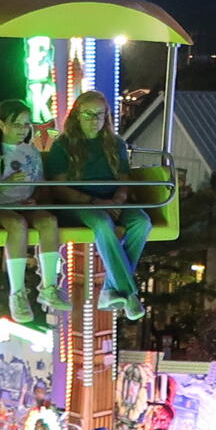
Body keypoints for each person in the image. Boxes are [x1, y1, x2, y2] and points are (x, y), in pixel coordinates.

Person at [41, 91, 151, 318]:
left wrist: (118, 200)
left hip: (110, 201)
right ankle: (129, 293)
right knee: (102, 222)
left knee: (141, 221)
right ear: (77, 116)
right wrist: (94, 201)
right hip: (78, 204)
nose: (94, 120)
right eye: (88, 114)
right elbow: (59, 188)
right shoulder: (63, 145)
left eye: (99, 114)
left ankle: (112, 288)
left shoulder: (115, 144)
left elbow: (124, 179)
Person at [0, 102, 63, 325]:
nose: (22, 130)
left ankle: (49, 286)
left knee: (48, 221)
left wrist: (37, 198)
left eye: (26, 125)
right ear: (1, 124)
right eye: (17, 124)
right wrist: (5, 184)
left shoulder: (30, 151)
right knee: (17, 225)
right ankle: (17, 293)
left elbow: (39, 184)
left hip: (23, 204)